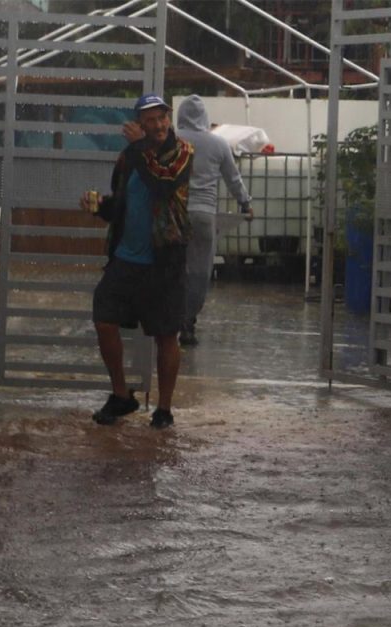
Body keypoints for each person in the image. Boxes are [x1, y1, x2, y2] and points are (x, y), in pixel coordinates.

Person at [80, 93, 194, 429]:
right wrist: (99, 206)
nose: (158, 125)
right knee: (103, 318)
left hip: (165, 260)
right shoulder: (129, 156)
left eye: (162, 118)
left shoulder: (183, 152)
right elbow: (121, 205)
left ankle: (164, 408)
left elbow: (164, 183)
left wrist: (141, 148)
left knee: (166, 335)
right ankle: (121, 395)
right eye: (150, 120)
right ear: (140, 124)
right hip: (126, 259)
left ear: (168, 119)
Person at [173, 95, 254, 348]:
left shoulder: (171, 139)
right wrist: (246, 204)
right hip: (204, 216)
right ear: (205, 117)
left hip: (174, 214)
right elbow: (233, 179)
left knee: (173, 267)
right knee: (199, 271)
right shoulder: (218, 144)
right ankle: (188, 323)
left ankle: (167, 320)